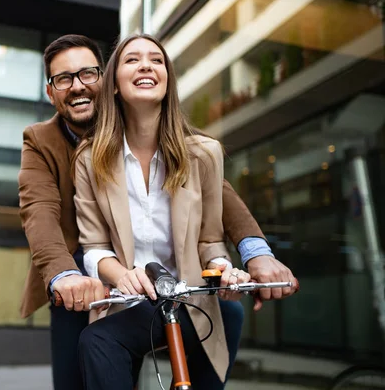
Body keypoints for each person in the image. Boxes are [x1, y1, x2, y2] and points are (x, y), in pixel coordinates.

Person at [18, 34, 296, 390]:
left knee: (224, 317)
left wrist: (255, 252)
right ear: (51, 91)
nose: (77, 86)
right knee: (83, 367)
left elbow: (213, 192)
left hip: (173, 283)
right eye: (63, 79)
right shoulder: (44, 142)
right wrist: (65, 277)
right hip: (82, 273)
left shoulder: (172, 135)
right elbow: (38, 211)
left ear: (105, 81)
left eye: (88, 74)